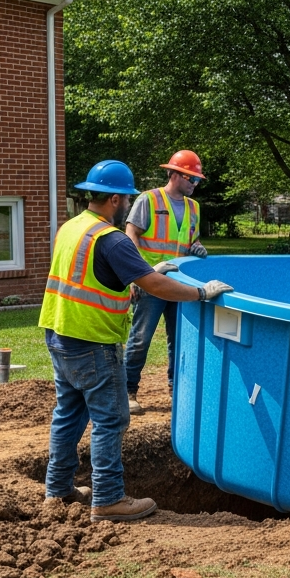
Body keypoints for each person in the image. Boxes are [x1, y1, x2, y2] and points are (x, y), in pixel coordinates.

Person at [39, 159, 232, 522]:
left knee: (68, 414)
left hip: (59, 332)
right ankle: (109, 499)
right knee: (111, 419)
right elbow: (155, 287)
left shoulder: (72, 227)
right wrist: (201, 293)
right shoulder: (112, 239)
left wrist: (144, 269)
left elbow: (94, 274)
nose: (129, 203)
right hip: (93, 341)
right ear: (115, 199)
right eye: (126, 197)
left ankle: (58, 490)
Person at [123, 150, 209, 415]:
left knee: (179, 340)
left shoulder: (194, 207)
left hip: (179, 283)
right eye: (192, 178)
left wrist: (196, 247)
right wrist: (138, 274)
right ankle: (127, 392)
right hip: (151, 281)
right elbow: (131, 234)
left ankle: (177, 390)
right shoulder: (149, 200)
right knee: (141, 338)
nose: (195, 184)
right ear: (175, 174)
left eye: (198, 180)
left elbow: (189, 238)